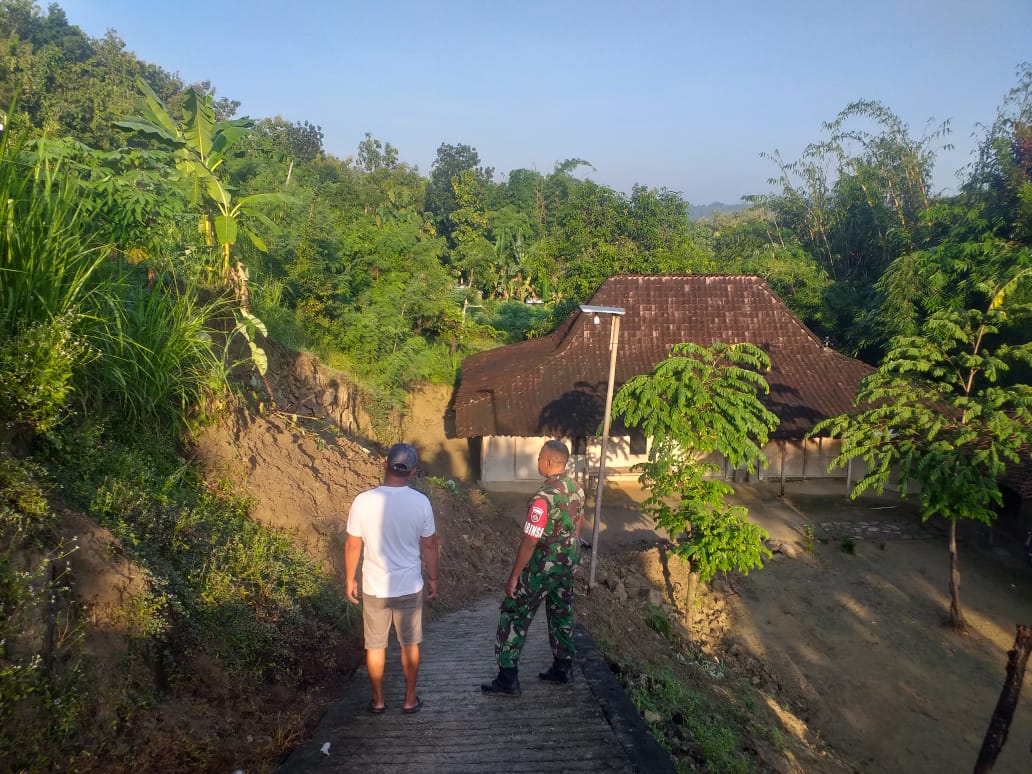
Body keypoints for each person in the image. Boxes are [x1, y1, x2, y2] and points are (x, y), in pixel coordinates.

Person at [482, 439, 585, 696]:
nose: (537, 461)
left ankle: (507, 678)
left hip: (543, 565)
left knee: (514, 613)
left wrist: (515, 576)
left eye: (539, 457)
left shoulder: (543, 498)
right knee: (561, 612)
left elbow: (530, 539)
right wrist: (573, 555)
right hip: (567, 562)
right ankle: (563, 667)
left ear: (549, 462)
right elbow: (579, 520)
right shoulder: (577, 489)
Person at [345, 442, 439, 714]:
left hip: (375, 587)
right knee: (410, 644)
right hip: (409, 586)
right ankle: (410, 700)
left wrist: (350, 578)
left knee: (375, 646)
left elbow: (353, 544)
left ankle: (378, 701)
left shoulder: (363, 501)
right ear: (413, 471)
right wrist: (433, 578)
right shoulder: (421, 503)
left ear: (384, 465)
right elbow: (430, 545)